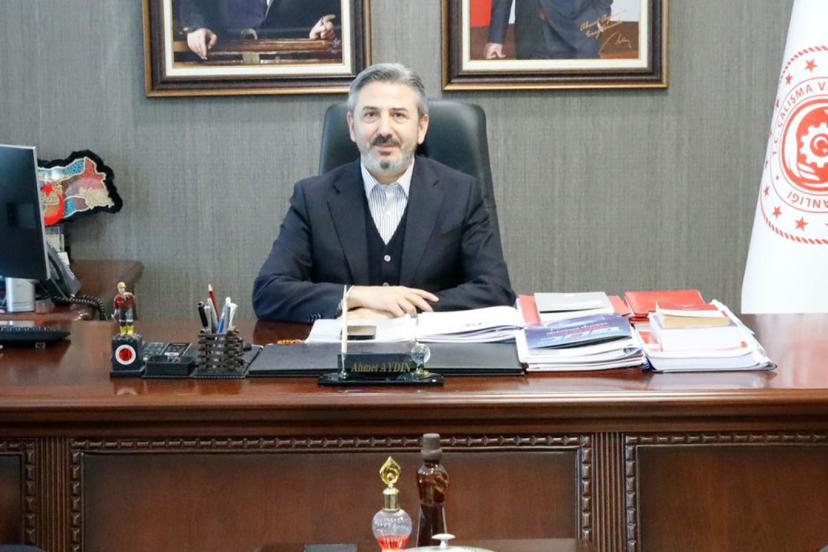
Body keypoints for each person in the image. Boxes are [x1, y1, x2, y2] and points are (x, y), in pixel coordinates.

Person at [253, 63, 515, 323]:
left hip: (431, 349)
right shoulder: (313, 198)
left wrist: (402, 311)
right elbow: (269, 292)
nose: (385, 130)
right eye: (370, 115)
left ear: (421, 127)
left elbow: (495, 290)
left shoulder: (461, 193)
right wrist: (355, 296)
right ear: (352, 126)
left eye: (398, 115)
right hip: (343, 350)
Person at [176, 0, 339, 60]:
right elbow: (191, 5)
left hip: (293, 72)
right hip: (228, 72)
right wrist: (196, 27)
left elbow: (332, 16)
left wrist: (320, 29)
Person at [484, 0, 613, 60]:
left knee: (581, 102)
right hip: (534, 31)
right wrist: (496, 37)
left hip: (580, 31)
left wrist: (596, 16)